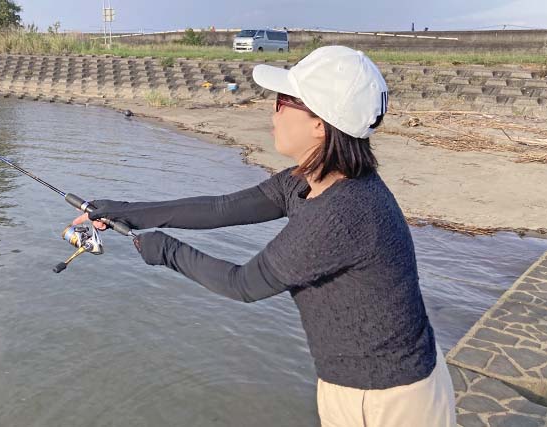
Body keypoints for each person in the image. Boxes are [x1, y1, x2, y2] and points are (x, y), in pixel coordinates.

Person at [73, 46, 456, 427]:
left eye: (283, 100)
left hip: (389, 399)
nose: (273, 110)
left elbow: (244, 284)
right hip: (361, 386)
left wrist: (165, 251)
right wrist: (126, 211)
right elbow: (221, 208)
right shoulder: (308, 180)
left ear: (320, 123)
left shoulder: (342, 212)